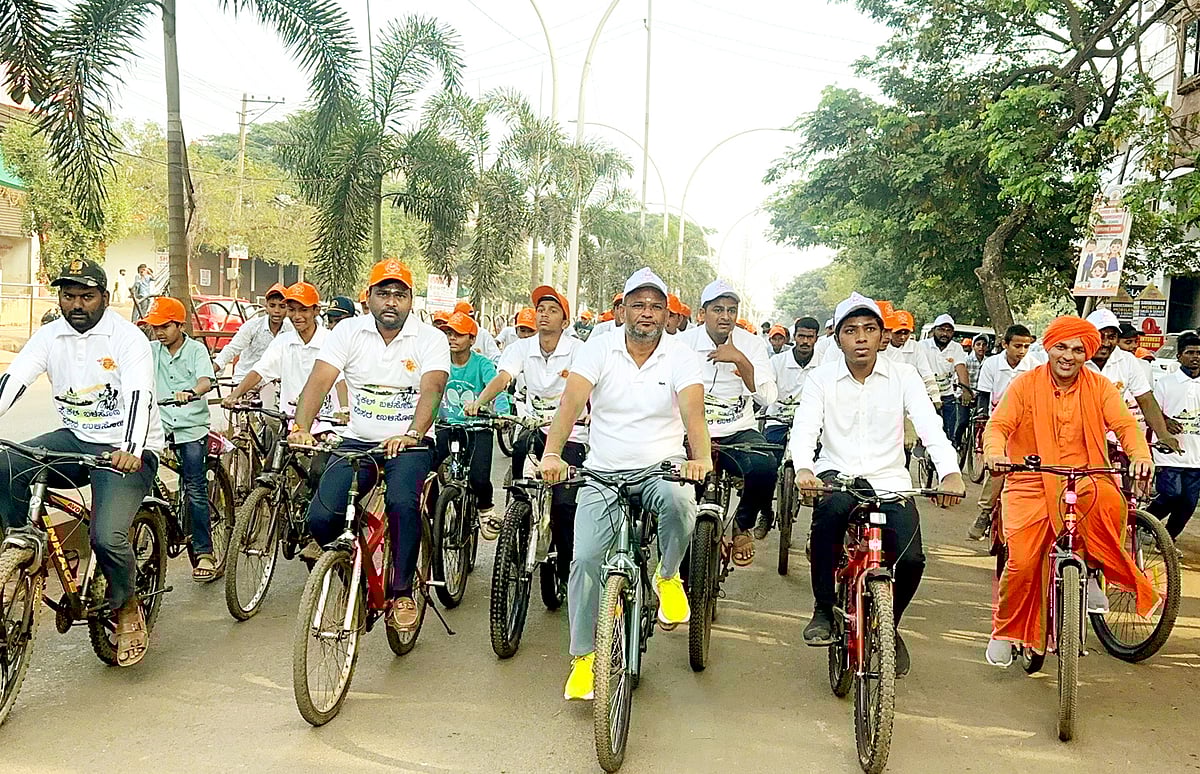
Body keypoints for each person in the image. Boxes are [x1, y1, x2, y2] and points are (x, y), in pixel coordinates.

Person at [540, 267, 711, 701]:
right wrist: (552, 453)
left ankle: (668, 575)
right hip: (602, 472)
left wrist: (701, 458)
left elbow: (693, 412)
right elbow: (570, 403)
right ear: (622, 309)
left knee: (680, 503)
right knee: (585, 560)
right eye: (638, 304)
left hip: (661, 468)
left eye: (656, 306)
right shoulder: (598, 349)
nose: (648, 313)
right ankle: (583, 659)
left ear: (667, 313)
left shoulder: (680, 355)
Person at [0, 258, 163, 667]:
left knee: (106, 536)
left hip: (127, 450)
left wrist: (131, 447)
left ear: (104, 299)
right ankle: (21, 545)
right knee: (7, 465)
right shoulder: (49, 336)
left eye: (86, 297)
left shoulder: (127, 339)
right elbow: (14, 380)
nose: (76, 304)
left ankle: (127, 608)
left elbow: (139, 394)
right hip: (75, 440)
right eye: (69, 296)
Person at [792, 293, 964, 677]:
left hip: (890, 481)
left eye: (869, 329)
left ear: (881, 335)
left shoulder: (903, 376)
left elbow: (929, 425)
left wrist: (949, 471)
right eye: (851, 331)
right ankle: (822, 607)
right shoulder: (822, 378)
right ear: (838, 338)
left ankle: (890, 625)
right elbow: (805, 426)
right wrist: (804, 467)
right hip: (838, 475)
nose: (861, 338)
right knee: (828, 520)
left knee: (913, 559)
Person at [982, 316, 1159, 667]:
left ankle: (1093, 569)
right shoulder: (1024, 385)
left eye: (1078, 350)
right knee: (1021, 563)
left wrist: (1140, 454)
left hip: (1086, 474)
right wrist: (995, 452)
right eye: (1061, 347)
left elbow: (1124, 424)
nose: (1069, 356)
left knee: (1110, 501)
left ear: (1087, 354)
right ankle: (1006, 630)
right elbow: (999, 425)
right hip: (1031, 478)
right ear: (1048, 348)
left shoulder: (1100, 386)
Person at [288, 259, 449, 633]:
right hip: (357, 442)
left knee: (401, 502)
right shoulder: (348, 332)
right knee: (321, 518)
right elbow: (320, 380)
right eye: (383, 293)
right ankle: (351, 566)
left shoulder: (430, 338)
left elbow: (433, 388)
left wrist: (412, 432)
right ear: (369, 297)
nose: (390, 301)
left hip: (409, 445)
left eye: (399, 294)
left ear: (411, 300)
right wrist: (302, 427)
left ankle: (402, 590)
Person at [469, 285, 583, 577]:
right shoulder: (520, 348)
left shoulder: (579, 351)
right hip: (533, 428)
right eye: (540, 310)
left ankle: (567, 566)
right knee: (520, 453)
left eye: (552, 310)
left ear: (565, 322)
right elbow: (504, 376)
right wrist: (480, 402)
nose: (544, 315)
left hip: (573, 434)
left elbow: (590, 388)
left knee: (563, 504)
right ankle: (517, 516)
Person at [679, 280, 777, 561]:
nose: (725, 316)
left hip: (737, 431)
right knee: (675, 493)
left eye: (731, 310)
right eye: (718, 309)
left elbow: (768, 397)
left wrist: (741, 361)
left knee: (765, 465)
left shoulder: (753, 344)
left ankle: (741, 525)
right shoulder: (682, 344)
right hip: (689, 433)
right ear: (702, 313)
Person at [142, 296, 218, 581]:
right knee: (140, 479)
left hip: (190, 428)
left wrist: (194, 392)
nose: (159, 332)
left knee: (195, 488)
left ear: (180, 325)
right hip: (159, 427)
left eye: (164, 326)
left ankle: (204, 552)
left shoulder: (196, 351)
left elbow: (205, 380)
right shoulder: (151, 350)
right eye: (154, 327)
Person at [435, 311, 504, 534]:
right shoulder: (439, 360)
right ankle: (431, 515)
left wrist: (502, 413)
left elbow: (497, 388)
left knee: (478, 478)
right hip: (447, 426)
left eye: (459, 335)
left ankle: (486, 510)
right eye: (449, 333)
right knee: (424, 469)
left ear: (472, 339)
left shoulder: (482, 364)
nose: (452, 338)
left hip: (477, 428)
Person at [966, 324, 1035, 540]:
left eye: (1026, 346)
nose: (1021, 351)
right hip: (999, 422)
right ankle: (985, 512)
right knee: (999, 469)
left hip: (1028, 425)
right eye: (1017, 346)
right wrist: (982, 419)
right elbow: (984, 395)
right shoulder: (991, 364)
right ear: (1005, 344)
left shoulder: (1036, 366)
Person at [1084, 308, 1179, 450]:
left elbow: (1145, 398)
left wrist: (1163, 435)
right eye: (1099, 336)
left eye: (1111, 337)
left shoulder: (1127, 360)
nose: (1105, 343)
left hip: (1115, 436)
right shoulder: (1076, 358)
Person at [1147, 332, 1200, 543]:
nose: (1195, 357)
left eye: (1199, 353)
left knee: (1188, 502)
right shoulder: (1166, 383)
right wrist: (1165, 421)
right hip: (1168, 453)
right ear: (1179, 356)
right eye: (1190, 353)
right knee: (1171, 494)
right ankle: (1144, 521)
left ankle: (1167, 541)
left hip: (1196, 456)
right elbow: (1151, 411)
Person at [213, 283, 293, 382]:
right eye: (272, 306)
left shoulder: (290, 331)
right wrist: (212, 370)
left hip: (273, 383)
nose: (277, 310)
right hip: (244, 380)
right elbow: (231, 349)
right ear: (266, 306)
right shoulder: (252, 326)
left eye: (282, 306)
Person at [923, 314, 972, 445]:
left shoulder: (956, 348)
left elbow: (960, 367)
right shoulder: (922, 346)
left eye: (948, 330)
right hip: (926, 395)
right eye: (941, 329)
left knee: (949, 434)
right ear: (934, 330)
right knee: (924, 432)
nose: (945, 333)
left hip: (946, 394)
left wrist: (966, 390)